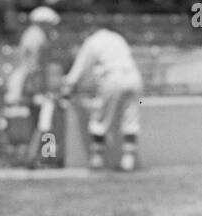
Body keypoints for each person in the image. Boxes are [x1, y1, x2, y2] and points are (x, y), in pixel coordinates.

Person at [60, 17, 144, 171]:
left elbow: (79, 68)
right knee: (131, 119)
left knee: (100, 119)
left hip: (113, 78)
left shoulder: (92, 41)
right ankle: (128, 160)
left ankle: (97, 159)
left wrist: (67, 89)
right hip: (134, 77)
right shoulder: (117, 37)